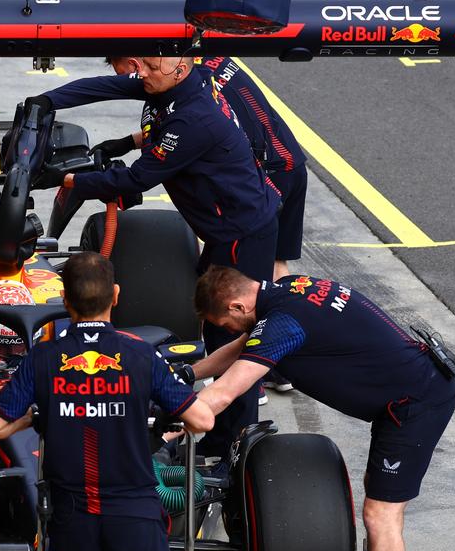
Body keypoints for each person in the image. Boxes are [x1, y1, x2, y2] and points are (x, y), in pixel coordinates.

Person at [192, 266, 455, 551]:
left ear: (238, 304)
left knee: (381, 515)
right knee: (377, 494)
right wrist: (188, 373)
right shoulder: (285, 292)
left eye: (224, 323)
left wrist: (176, 419)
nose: (226, 330)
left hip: (415, 404)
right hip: (400, 396)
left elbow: (226, 393)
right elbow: (248, 344)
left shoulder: (285, 322)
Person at [33, 56, 280, 463]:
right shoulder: (169, 83)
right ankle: (222, 434)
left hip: (242, 232)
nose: (139, 73)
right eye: (139, 65)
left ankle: (237, 441)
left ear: (180, 65)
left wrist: (67, 178)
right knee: (213, 327)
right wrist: (45, 100)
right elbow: (105, 86)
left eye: (149, 66)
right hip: (224, 227)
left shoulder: (193, 119)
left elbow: (135, 179)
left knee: (233, 332)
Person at [0, 253, 214, 551]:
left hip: (74, 522)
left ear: (65, 302)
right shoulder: (141, 355)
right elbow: (202, 419)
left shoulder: (43, 358)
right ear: (116, 296)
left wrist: (39, 415)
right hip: (136, 519)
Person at [102, 54, 307, 395]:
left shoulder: (183, 81)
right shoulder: (202, 62)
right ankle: (279, 363)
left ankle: (251, 374)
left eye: (124, 67)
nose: (133, 76)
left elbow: (192, 131)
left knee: (239, 291)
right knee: (274, 269)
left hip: (263, 174)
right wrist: (132, 141)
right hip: (288, 161)